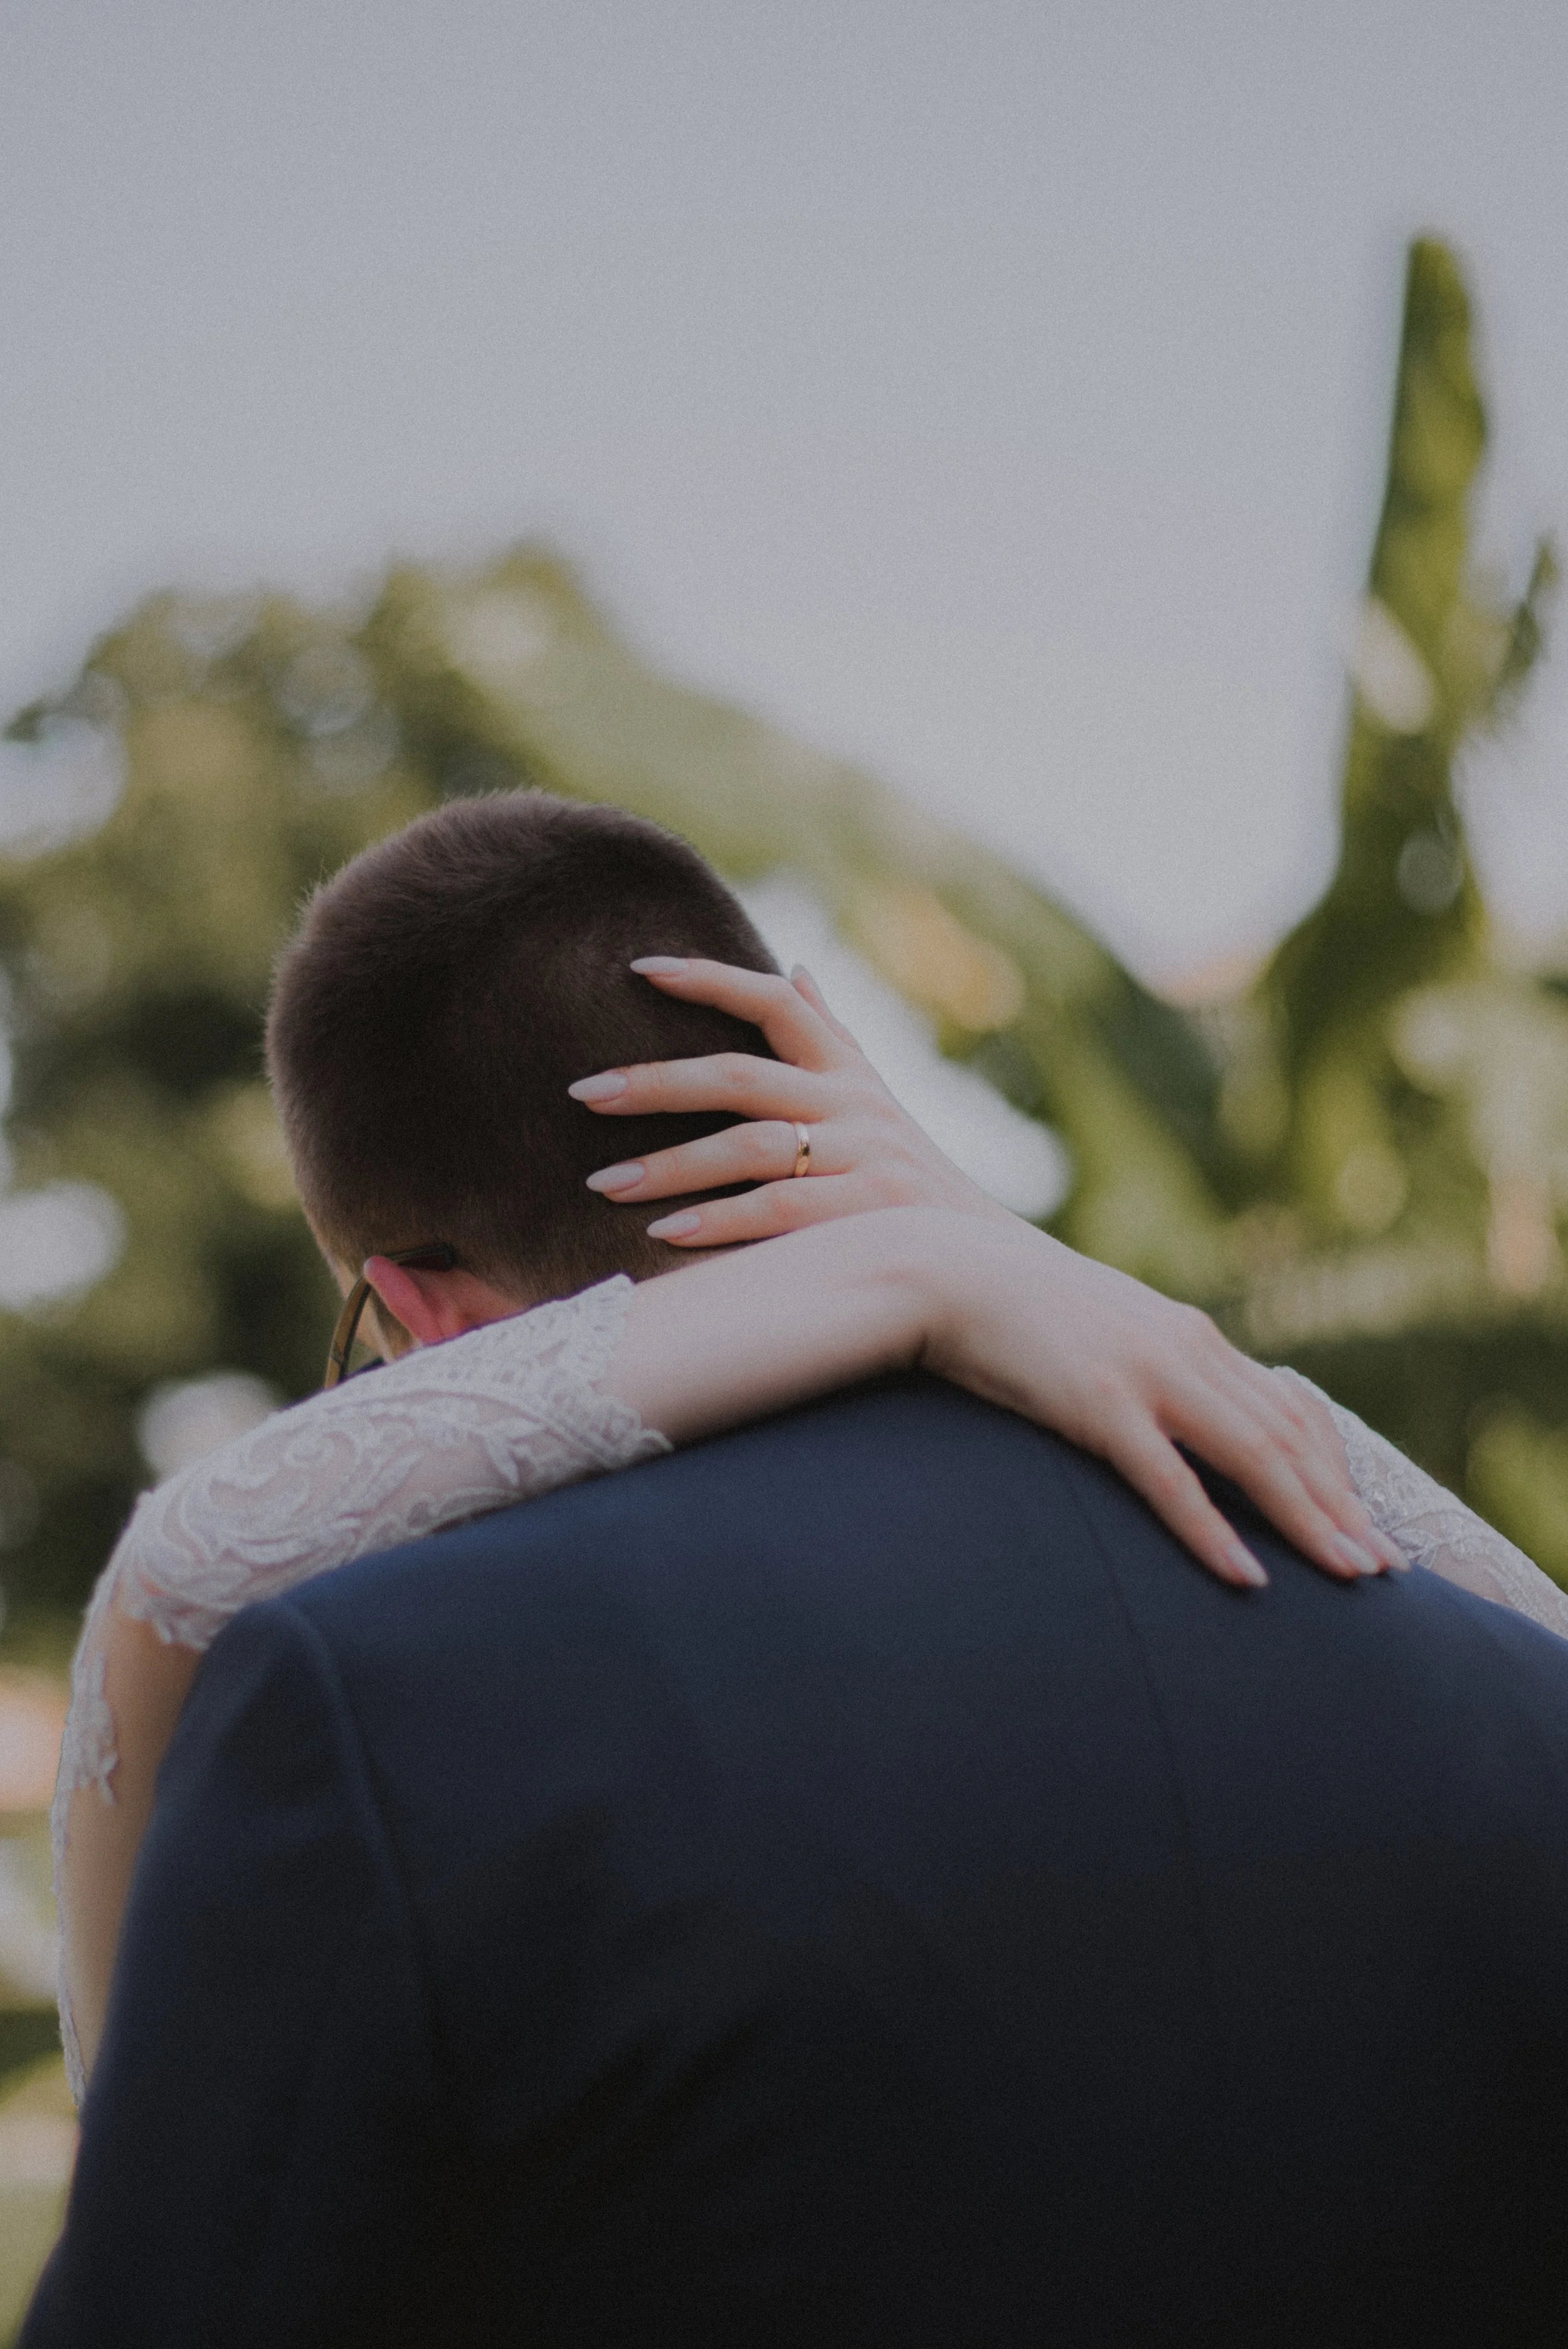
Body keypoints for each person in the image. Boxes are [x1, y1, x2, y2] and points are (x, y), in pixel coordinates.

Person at [41, 796, 1568, 2089]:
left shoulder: (390, 1726)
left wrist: (945, 1265)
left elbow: (188, 1559)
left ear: (415, 1319)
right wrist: (972, 1249)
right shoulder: (1400, 1658)